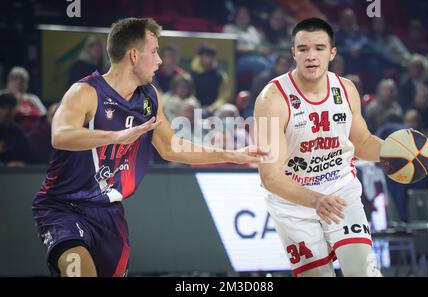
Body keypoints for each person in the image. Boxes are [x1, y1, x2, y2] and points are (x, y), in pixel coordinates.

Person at [32, 18, 270, 277]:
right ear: (134, 55)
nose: (159, 61)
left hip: (109, 211)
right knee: (78, 269)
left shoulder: (149, 96)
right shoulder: (85, 92)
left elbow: (171, 148)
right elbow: (61, 135)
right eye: (155, 51)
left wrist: (231, 155)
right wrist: (116, 136)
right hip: (63, 206)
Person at [254, 18, 385, 277]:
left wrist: (400, 151)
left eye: (319, 48)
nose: (311, 56)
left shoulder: (346, 89)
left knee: (362, 271)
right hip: (293, 201)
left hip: (339, 190)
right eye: (303, 49)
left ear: (332, 53)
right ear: (293, 53)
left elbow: (363, 142)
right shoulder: (272, 98)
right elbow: (270, 176)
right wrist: (315, 200)